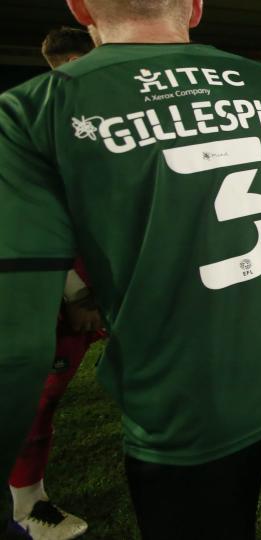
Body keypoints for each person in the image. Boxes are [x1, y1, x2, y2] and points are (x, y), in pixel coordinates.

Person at [0, 2, 261, 539]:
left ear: (80, 6)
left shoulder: (30, 111)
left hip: (185, 399)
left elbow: (14, 345)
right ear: (196, 7)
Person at [6, 27, 101, 540]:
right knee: (38, 397)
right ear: (68, 62)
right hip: (59, 294)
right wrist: (76, 292)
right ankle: (27, 508)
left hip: (103, 283)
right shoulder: (32, 119)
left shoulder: (78, 117)